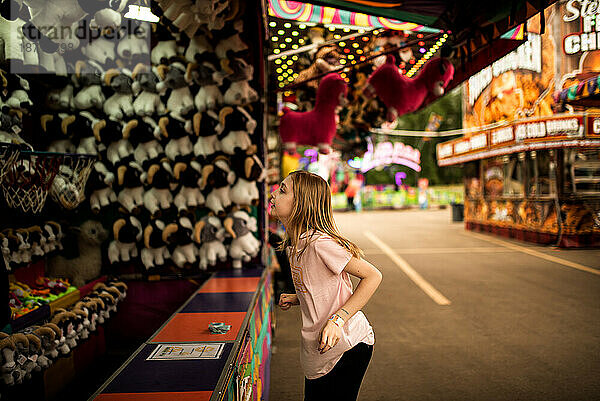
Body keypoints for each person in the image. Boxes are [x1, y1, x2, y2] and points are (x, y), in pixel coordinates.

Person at [270, 170, 382, 401]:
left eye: (282, 190)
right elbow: (321, 287)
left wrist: (337, 320)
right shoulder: (295, 244)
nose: (273, 195)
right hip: (320, 347)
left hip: (348, 344)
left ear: (301, 204)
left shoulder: (319, 243)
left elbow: (373, 276)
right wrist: (298, 297)